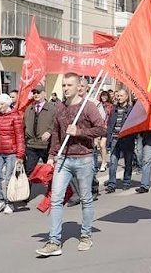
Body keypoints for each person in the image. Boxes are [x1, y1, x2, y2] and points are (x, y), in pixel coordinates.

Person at [36, 73, 106, 257]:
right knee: (56, 199)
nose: (65, 88)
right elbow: (57, 134)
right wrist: (51, 156)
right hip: (63, 159)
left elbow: (101, 129)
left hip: (84, 158)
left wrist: (80, 131)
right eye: (64, 85)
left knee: (85, 198)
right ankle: (54, 241)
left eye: (69, 85)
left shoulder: (88, 106)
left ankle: (86, 235)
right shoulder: (59, 108)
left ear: (78, 87)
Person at [0, 94, 25, 215]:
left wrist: (20, 154)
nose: (0, 107)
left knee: (9, 178)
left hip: (11, 151)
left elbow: (20, 136)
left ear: (8, 104)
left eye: (2, 104)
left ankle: (10, 202)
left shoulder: (15, 117)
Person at [105, 89, 135, 193]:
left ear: (126, 97)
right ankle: (111, 184)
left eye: (121, 96)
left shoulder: (131, 110)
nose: (119, 98)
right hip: (115, 139)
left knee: (128, 161)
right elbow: (110, 125)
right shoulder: (114, 109)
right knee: (113, 162)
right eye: (118, 96)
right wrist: (108, 140)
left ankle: (126, 181)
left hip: (127, 139)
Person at [24, 85, 56, 176]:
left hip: (46, 146)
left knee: (50, 171)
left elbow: (57, 124)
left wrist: (49, 131)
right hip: (31, 145)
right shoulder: (29, 109)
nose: (36, 94)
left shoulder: (52, 109)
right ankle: (28, 190)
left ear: (44, 94)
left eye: (38, 92)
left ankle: (51, 190)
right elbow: (24, 125)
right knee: (29, 171)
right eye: (34, 93)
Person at [97, 91, 113, 172]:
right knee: (99, 145)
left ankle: (103, 163)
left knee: (103, 145)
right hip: (98, 127)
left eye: (105, 96)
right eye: (102, 95)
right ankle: (104, 160)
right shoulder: (98, 104)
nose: (103, 97)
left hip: (106, 127)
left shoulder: (110, 106)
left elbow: (111, 117)